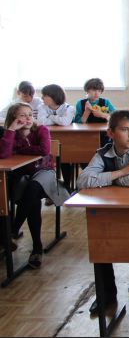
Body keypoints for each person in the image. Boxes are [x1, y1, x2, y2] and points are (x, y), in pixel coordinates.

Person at [76, 110, 129, 315]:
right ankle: (106, 294)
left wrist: (104, 179)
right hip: (110, 209)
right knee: (100, 243)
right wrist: (123, 171)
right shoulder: (103, 153)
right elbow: (82, 181)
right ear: (110, 133)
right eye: (125, 130)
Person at [0, 103, 69, 268]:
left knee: (33, 189)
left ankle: (13, 230)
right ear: (13, 118)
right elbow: (4, 154)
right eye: (22, 115)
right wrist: (11, 130)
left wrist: (21, 150)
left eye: (30, 114)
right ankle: (36, 247)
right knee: (32, 197)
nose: (28, 118)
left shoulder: (41, 130)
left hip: (45, 174)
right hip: (23, 175)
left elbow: (44, 150)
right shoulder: (11, 134)